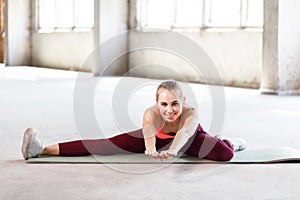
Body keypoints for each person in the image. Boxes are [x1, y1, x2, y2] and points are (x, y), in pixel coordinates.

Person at [21, 80, 246, 161]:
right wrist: (150, 148)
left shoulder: (190, 113)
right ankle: (40, 149)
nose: (170, 111)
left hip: (189, 140)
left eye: (175, 103)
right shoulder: (151, 114)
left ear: (183, 101)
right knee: (102, 144)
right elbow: (148, 132)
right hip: (158, 140)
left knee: (224, 154)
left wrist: (175, 150)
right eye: (164, 104)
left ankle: (231, 141)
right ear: (157, 103)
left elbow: (184, 134)